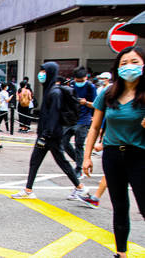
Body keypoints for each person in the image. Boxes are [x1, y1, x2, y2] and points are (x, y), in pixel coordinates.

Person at [82, 46, 145, 258]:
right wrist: (87, 156)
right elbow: (94, 127)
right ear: (117, 67)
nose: (129, 66)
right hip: (112, 155)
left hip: (139, 156)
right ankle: (121, 253)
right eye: (124, 62)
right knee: (119, 206)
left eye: (135, 62)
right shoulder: (108, 94)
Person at [11, 62, 88, 200]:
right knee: (35, 161)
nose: (41, 74)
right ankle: (28, 190)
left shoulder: (55, 92)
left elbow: (53, 116)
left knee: (61, 161)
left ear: (51, 73)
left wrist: (45, 136)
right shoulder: (49, 90)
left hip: (51, 136)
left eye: (44, 72)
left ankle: (80, 188)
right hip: (47, 134)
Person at [62, 67, 97, 179]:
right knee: (64, 142)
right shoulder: (71, 85)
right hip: (71, 119)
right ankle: (79, 162)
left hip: (84, 119)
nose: (79, 83)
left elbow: (95, 104)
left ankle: (78, 168)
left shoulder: (90, 87)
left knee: (79, 144)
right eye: (78, 80)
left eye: (82, 80)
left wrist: (85, 102)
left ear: (86, 78)